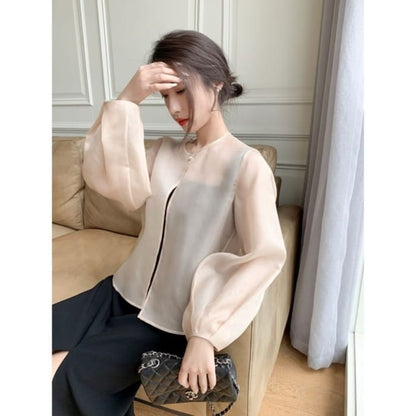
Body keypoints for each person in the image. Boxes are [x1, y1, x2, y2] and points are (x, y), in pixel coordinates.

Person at [52, 29, 287, 416]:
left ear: (216, 84)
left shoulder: (246, 166)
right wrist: (127, 100)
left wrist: (206, 334)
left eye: (181, 91)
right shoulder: (163, 151)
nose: (174, 107)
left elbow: (264, 258)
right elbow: (109, 180)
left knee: (66, 375)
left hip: (168, 322)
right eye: (164, 96)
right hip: (118, 291)